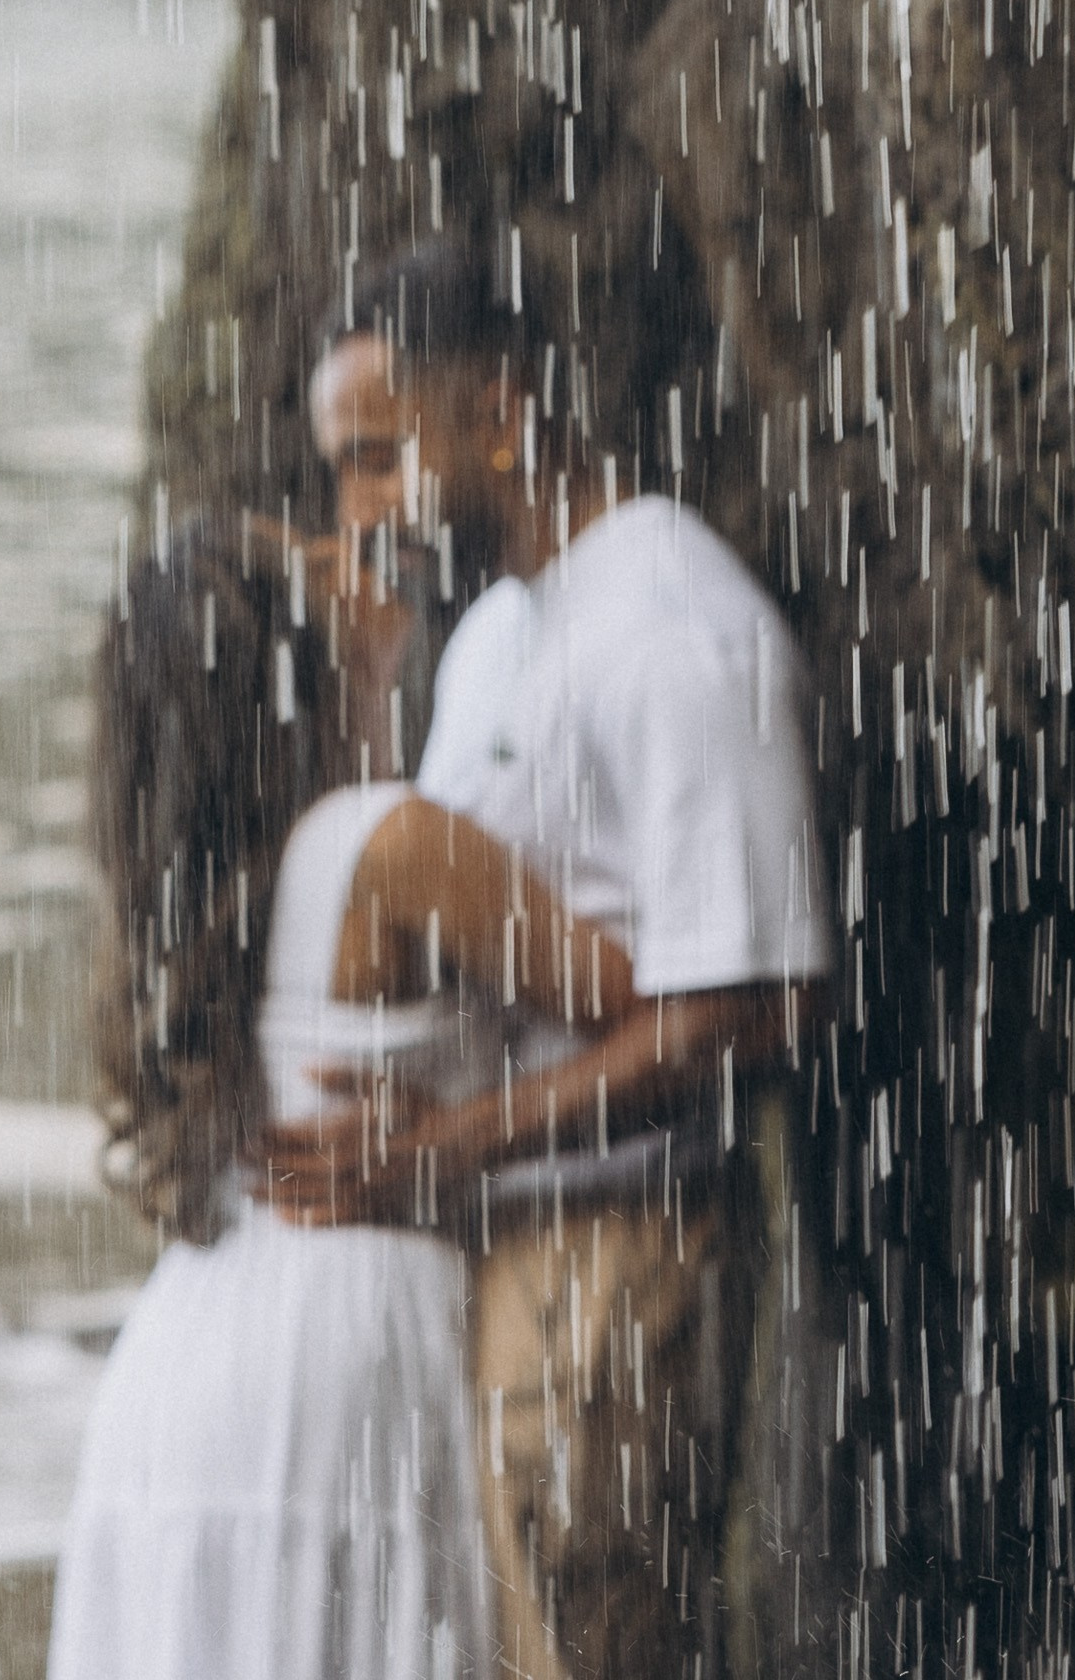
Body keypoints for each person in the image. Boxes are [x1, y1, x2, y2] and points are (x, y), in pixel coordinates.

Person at [49, 532, 741, 1680]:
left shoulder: (186, 882)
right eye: (313, 565)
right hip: (338, 1337)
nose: (348, 552)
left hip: (188, 1353)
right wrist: (466, 1140)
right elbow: (661, 1016)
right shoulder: (390, 842)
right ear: (286, 661)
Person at [290, 237, 832, 1680]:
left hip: (616, 1254)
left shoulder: (670, 628)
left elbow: (751, 1009)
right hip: (487, 1244)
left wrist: (454, 1146)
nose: (364, 504)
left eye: (379, 453)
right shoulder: (491, 638)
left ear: (499, 416)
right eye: (344, 467)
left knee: (592, 1645)